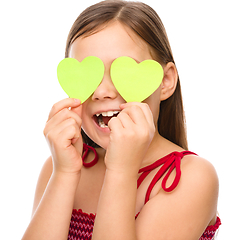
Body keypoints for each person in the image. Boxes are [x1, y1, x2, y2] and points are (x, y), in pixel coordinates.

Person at [22, 1, 221, 239]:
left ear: (165, 81)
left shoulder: (191, 178)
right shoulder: (59, 166)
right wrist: (64, 174)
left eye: (122, 73)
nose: (102, 92)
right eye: (90, 75)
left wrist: (121, 171)